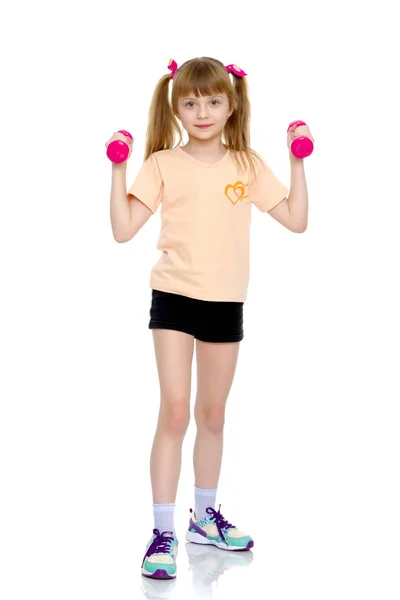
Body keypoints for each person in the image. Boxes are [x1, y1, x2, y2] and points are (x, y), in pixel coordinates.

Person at [106, 56, 313, 580]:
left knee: (213, 415)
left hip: (226, 302)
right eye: (191, 102)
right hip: (173, 297)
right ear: (175, 107)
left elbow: (295, 220)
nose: (203, 112)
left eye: (213, 101)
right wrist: (117, 166)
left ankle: (204, 519)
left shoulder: (247, 164)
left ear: (232, 104)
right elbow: (124, 229)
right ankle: (162, 532)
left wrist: (297, 159)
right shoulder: (161, 165)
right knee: (175, 411)